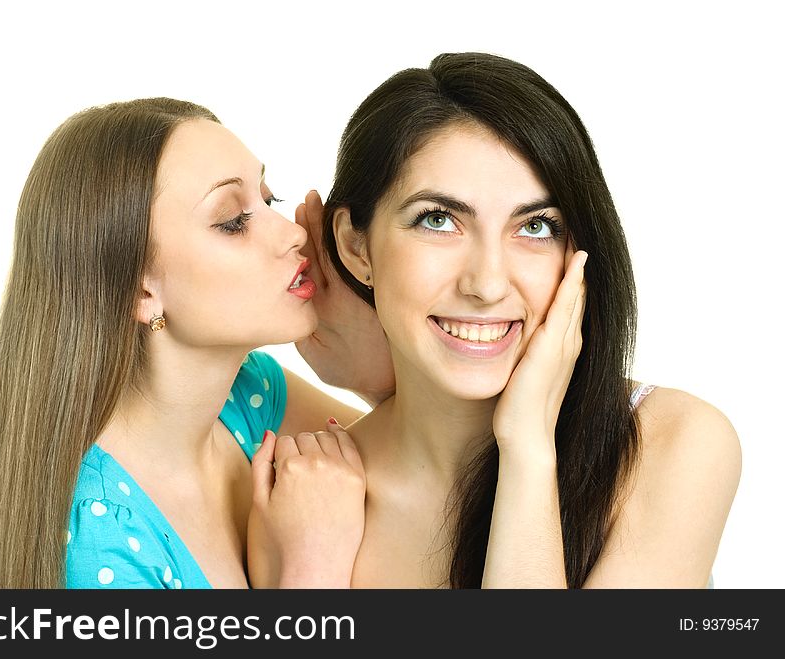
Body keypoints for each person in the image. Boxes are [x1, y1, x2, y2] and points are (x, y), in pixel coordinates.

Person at [298, 52, 741, 588]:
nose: (487, 284)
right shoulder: (314, 499)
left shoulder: (673, 442)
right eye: (438, 220)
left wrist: (528, 447)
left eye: (535, 227)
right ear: (355, 246)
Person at [0, 97, 392, 589]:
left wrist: (370, 374)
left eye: (268, 200)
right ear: (140, 290)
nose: (292, 233)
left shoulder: (248, 396)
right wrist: (312, 572)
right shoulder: (101, 544)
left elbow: (426, 473)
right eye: (233, 221)